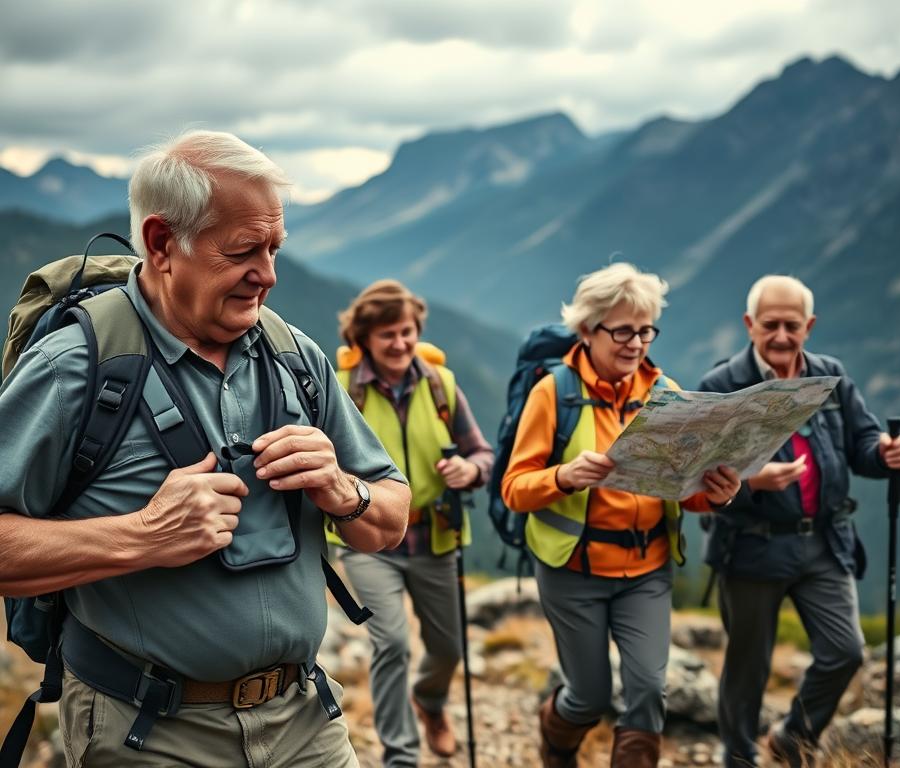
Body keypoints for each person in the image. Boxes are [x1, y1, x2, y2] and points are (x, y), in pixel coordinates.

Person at [0, 130, 410, 767]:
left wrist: (343, 490)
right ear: (163, 244)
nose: (269, 276)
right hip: (147, 732)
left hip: (307, 720)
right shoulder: (74, 367)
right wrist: (143, 535)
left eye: (275, 248)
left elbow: (390, 517)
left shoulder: (295, 357)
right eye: (245, 251)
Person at [501, 263, 741, 768]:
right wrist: (564, 477)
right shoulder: (554, 392)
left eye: (646, 330)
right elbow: (514, 489)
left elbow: (684, 490)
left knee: (649, 692)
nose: (636, 343)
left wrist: (715, 494)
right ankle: (556, 738)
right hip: (573, 572)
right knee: (587, 696)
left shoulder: (665, 393)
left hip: (647, 570)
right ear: (588, 329)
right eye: (623, 331)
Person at [698, 275, 900, 768]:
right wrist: (753, 480)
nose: (780, 335)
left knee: (846, 651)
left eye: (791, 325)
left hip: (825, 541)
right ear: (749, 325)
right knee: (747, 667)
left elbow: (863, 445)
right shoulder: (721, 386)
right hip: (750, 546)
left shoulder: (830, 377)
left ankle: (794, 736)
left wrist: (886, 453)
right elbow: (699, 476)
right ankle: (738, 757)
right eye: (769, 324)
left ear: (809, 326)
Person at [332, 280, 493, 767]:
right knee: (393, 643)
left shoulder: (440, 386)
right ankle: (400, 756)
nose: (400, 343)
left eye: (406, 332)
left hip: (433, 536)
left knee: (447, 648)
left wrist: (471, 470)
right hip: (368, 539)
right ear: (363, 340)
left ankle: (431, 702)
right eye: (387, 335)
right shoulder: (344, 392)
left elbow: (482, 453)